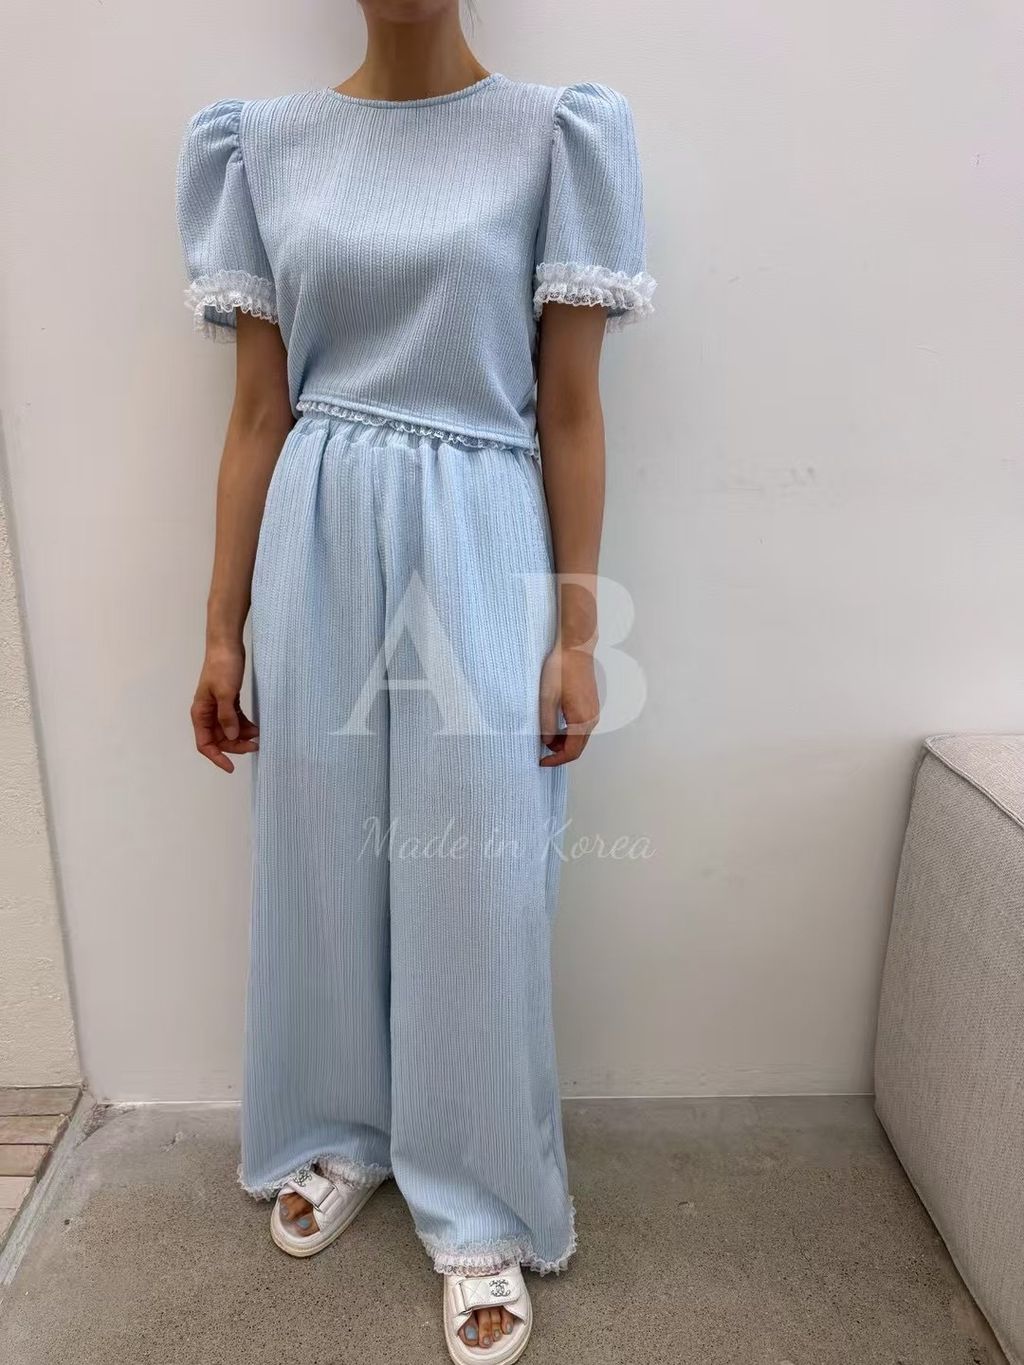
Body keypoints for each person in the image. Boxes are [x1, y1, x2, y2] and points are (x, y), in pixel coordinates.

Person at [175, 1, 655, 1359]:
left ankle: (482, 1196)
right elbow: (257, 411)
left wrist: (576, 631)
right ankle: (338, 1127)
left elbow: (572, 407)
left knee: (477, 876)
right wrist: (222, 628)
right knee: (320, 852)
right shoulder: (261, 146)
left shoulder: (555, 136)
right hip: (317, 528)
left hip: (480, 530)